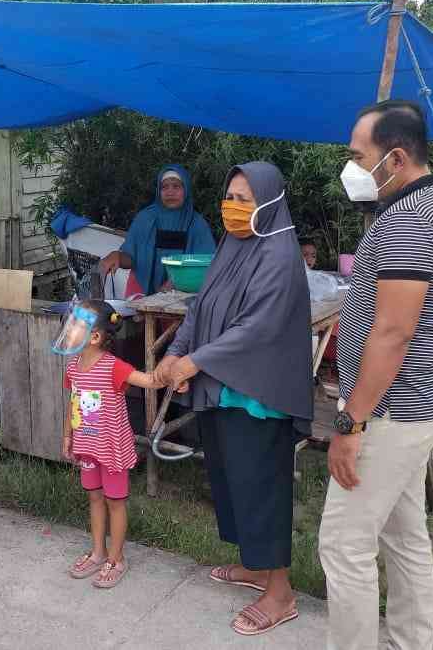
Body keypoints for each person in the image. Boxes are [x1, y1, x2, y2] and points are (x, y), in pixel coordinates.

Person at [319, 99, 433, 650]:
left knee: (344, 544)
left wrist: (350, 424)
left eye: (359, 156)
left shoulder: (409, 218)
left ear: (397, 157)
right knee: (405, 536)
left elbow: (393, 333)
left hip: (391, 410)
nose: (352, 167)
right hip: (420, 402)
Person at [155, 162, 313, 637]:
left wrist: (194, 362)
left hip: (259, 394)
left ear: (268, 202)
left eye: (244, 200)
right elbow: (202, 306)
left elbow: (257, 328)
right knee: (232, 481)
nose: (233, 207)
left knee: (261, 486)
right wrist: (179, 353)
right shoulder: (232, 246)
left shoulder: (280, 256)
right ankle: (256, 566)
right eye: (230, 197)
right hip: (223, 387)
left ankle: (280, 592)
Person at [60, 300, 165, 589]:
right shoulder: (73, 367)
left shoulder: (113, 367)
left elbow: (150, 381)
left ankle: (116, 558)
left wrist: (174, 374)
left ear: (95, 337)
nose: (68, 331)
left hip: (112, 449)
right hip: (87, 447)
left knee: (114, 503)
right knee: (94, 498)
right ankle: (98, 553)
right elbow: (73, 404)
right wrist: (68, 435)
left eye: (75, 327)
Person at [99, 165, 215, 297]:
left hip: (183, 295)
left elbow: (206, 266)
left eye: (176, 186)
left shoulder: (197, 224)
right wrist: (118, 256)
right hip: (142, 292)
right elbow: (131, 258)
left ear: (186, 190)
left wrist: (175, 283)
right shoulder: (145, 219)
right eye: (164, 187)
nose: (170, 192)